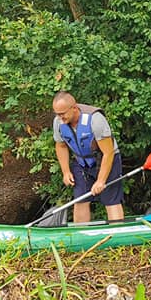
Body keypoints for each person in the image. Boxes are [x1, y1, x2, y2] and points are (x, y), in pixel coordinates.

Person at [52, 90, 124, 223]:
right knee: (80, 199)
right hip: (81, 162)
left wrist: (101, 180)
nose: (60, 117)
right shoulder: (58, 122)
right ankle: (81, 236)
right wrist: (66, 171)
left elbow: (108, 153)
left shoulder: (95, 119)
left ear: (74, 108)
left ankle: (117, 232)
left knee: (111, 199)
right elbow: (61, 146)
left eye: (62, 114)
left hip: (106, 159)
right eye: (57, 114)